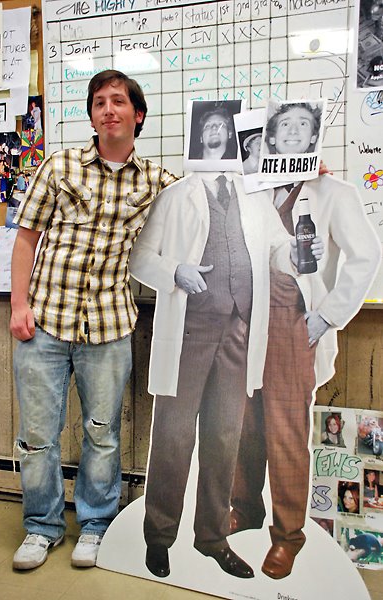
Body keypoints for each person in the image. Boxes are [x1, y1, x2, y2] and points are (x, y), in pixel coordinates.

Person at [129, 144, 323, 579]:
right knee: (174, 439)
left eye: (226, 131)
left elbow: (277, 249)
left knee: (223, 439)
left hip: (239, 334)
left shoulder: (253, 196)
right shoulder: (176, 195)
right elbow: (140, 258)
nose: (219, 137)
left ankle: (213, 538)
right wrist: (175, 271)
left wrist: (294, 255)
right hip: (189, 333)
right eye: (212, 129)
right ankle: (159, 537)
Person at [10, 69, 177, 571]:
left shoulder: (158, 181)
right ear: (91, 115)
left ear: (137, 115)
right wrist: (18, 306)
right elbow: (26, 238)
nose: (108, 109)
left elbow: (214, 199)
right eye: (99, 102)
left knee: (102, 434)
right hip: (44, 323)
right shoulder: (59, 166)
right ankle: (41, 528)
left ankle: (96, 525)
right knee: (37, 437)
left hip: (108, 328)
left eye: (118, 101)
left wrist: (294, 177)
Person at [231, 169, 381, 578]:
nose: (285, 142)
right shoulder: (248, 186)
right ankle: (244, 509)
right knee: (242, 423)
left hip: (292, 320)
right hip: (244, 320)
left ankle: (287, 535)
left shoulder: (332, 191)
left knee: (285, 431)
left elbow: (367, 254)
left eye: (296, 136)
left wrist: (327, 315)